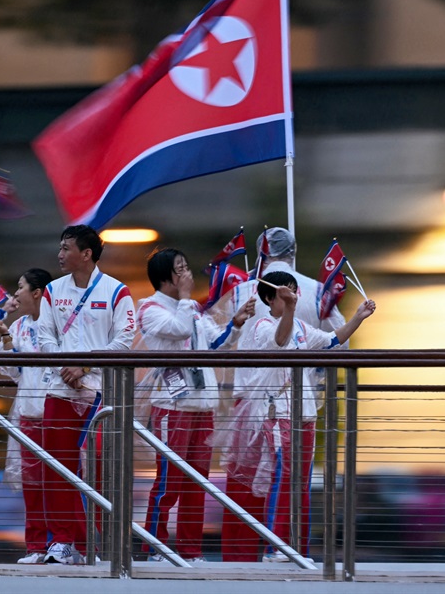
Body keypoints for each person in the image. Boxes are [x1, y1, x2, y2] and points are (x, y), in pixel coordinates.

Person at [217, 227, 348, 562]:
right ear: (294, 251)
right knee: (293, 480)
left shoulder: (243, 290)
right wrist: (315, 372)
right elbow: (340, 343)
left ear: (261, 252)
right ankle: (290, 548)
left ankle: (240, 554)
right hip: (299, 398)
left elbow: (221, 341)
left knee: (246, 483)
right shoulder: (317, 291)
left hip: (248, 399)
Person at [227, 271, 376, 563]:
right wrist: (291, 308)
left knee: (301, 483)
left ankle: (296, 548)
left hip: (305, 413)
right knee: (284, 479)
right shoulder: (262, 326)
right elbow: (279, 343)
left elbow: (333, 341)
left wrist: (359, 317)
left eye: (294, 293)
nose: (292, 298)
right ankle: (275, 549)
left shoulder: (302, 328)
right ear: (269, 298)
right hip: (279, 413)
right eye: (285, 294)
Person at [135, 248, 256, 563]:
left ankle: (191, 551)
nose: (187, 274)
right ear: (165, 277)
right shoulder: (149, 308)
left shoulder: (193, 310)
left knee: (196, 484)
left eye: (187, 266)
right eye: (180, 269)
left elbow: (218, 344)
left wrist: (238, 322)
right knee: (168, 483)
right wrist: (188, 298)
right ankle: (156, 549)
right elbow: (179, 330)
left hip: (203, 405)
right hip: (171, 406)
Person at [36, 225, 135, 565]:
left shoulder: (116, 292)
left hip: (99, 395)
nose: (60, 255)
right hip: (59, 390)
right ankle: (63, 541)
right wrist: (67, 366)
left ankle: (101, 541)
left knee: (98, 470)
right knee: (56, 468)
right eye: (60, 248)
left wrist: (85, 367)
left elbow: (124, 341)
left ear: (87, 254)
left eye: (66, 249)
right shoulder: (51, 290)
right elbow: (43, 336)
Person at [0, 268, 54, 564]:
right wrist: (4, 336)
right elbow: (13, 371)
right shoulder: (20, 326)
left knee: (59, 482)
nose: (16, 293)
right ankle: (36, 546)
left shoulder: (59, 324)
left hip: (56, 412)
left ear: (38, 293)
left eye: (21, 287)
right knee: (33, 484)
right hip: (28, 413)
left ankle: (62, 544)